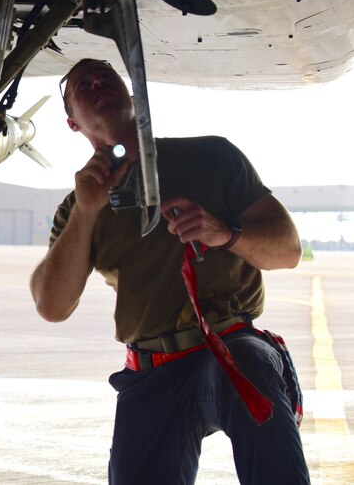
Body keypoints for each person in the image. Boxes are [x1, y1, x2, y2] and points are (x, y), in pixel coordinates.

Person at [30, 58, 310, 484]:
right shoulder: (77, 207)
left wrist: (225, 233)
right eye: (83, 84)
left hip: (230, 347)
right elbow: (51, 305)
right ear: (73, 123)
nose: (97, 82)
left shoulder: (213, 156)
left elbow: (287, 250)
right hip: (152, 368)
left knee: (253, 376)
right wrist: (87, 212)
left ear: (130, 93)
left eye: (106, 76)